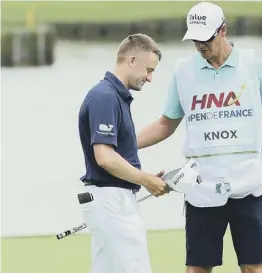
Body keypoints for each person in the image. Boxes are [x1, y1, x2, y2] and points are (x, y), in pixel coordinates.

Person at [137, 2, 262, 273]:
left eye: (206, 38)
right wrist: (125, 142)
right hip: (202, 187)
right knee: (197, 268)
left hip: (249, 184)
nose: (200, 45)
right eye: (195, 39)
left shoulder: (252, 65)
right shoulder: (183, 72)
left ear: (223, 30)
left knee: (253, 268)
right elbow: (165, 124)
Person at [78, 33, 169, 273]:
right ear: (131, 60)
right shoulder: (105, 97)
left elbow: (118, 153)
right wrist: (146, 180)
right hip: (112, 202)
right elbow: (105, 157)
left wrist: (147, 176)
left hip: (108, 200)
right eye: (148, 70)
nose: (149, 78)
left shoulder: (112, 96)